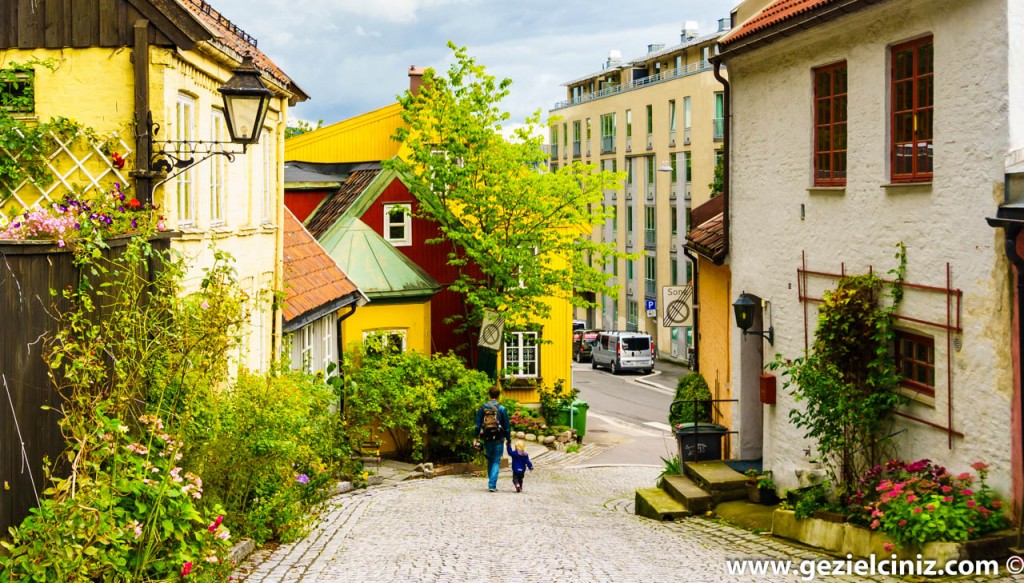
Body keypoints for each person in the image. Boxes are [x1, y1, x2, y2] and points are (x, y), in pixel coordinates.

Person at [474, 385, 510, 492]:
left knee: (490, 459)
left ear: (489, 394)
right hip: (499, 438)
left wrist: (475, 438)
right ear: (499, 395)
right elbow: (507, 427)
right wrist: (509, 440)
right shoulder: (502, 409)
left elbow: (477, 424)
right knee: (496, 460)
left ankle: (491, 481)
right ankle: (492, 484)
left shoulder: (483, 408)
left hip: (487, 437)